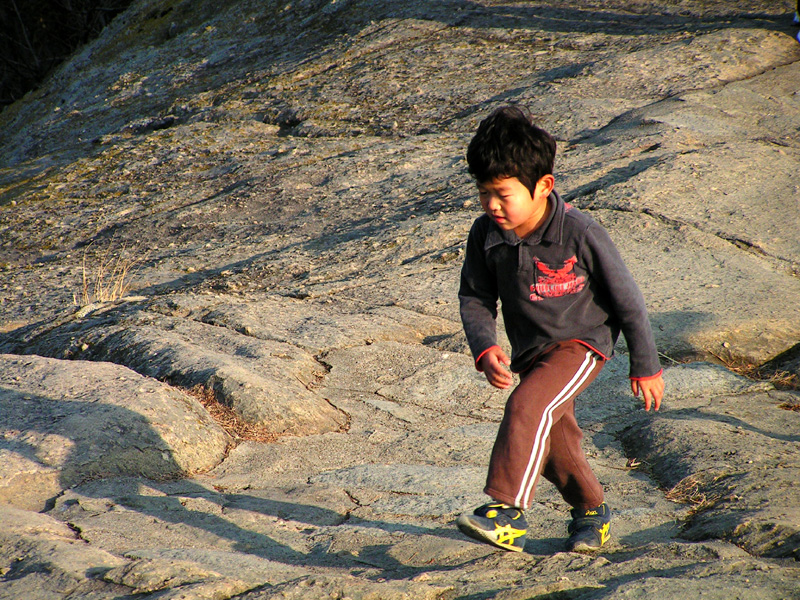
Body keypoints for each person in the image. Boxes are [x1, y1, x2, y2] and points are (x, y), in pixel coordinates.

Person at [456, 105, 665, 553]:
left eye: (502, 193)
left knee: (525, 408)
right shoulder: (485, 234)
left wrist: (645, 365)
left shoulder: (580, 232)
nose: (491, 204)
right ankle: (592, 511)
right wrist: (484, 346)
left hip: (581, 344)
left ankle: (506, 512)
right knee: (552, 443)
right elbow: (474, 296)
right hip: (532, 353)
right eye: (483, 192)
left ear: (543, 186)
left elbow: (627, 299)